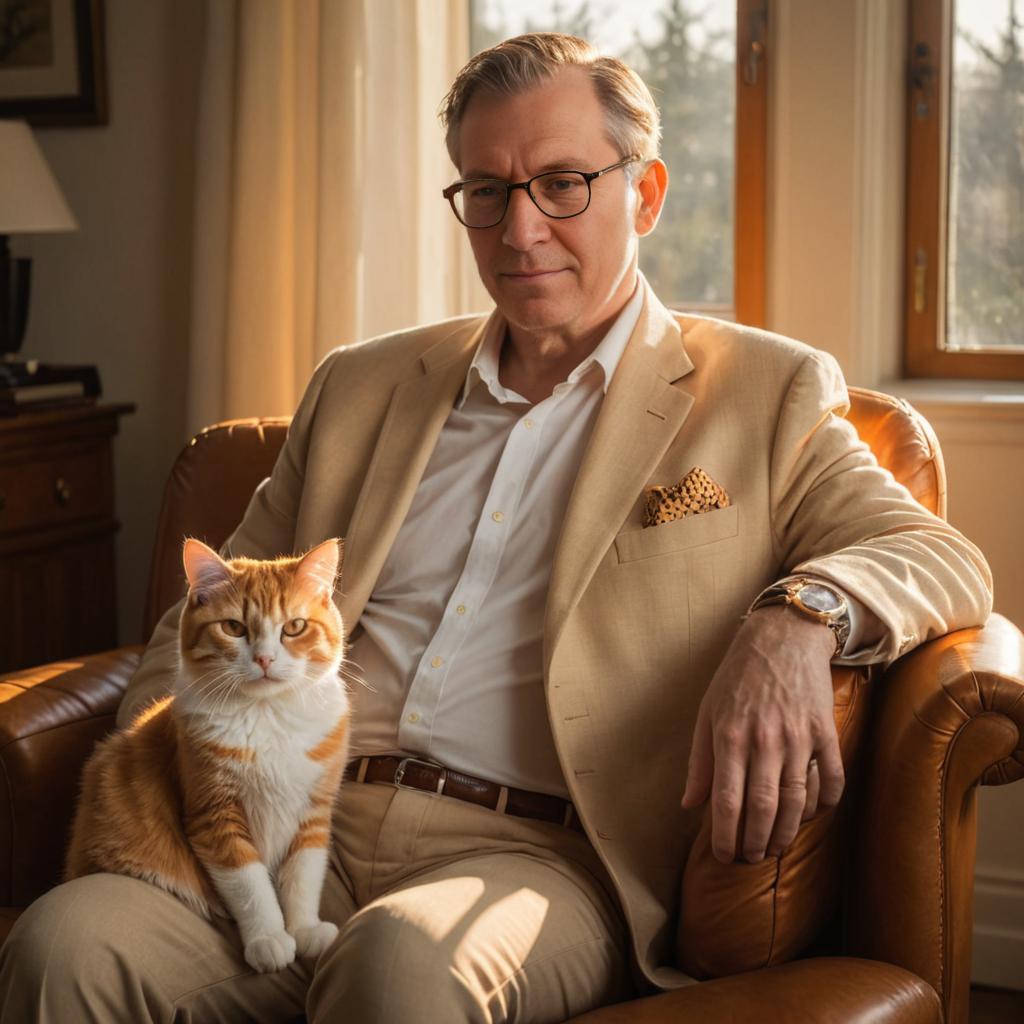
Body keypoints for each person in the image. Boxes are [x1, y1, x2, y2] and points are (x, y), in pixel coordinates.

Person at [0, 31, 991, 1024]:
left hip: (534, 857)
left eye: (562, 183)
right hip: (289, 821)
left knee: (400, 971)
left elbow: (940, 557)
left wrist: (795, 618)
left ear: (642, 195)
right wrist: (175, 792)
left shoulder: (764, 395)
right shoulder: (358, 386)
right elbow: (196, 629)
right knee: (66, 944)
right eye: (486, 191)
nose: (519, 231)